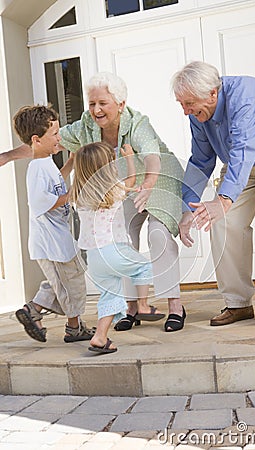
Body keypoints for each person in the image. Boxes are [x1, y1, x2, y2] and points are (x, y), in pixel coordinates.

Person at [1, 72, 186, 332]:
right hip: (123, 189)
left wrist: (148, 185)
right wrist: (7, 156)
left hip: (158, 182)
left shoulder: (137, 123)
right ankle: (131, 308)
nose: (96, 110)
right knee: (123, 242)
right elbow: (45, 141)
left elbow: (153, 157)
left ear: (120, 104)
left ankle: (175, 306)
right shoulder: (86, 125)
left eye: (103, 103)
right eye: (92, 104)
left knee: (159, 237)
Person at [172, 60, 255, 330]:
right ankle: (238, 303)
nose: (186, 111)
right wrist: (186, 209)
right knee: (221, 220)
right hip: (243, 166)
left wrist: (223, 200)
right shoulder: (199, 114)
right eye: (181, 104)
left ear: (213, 93)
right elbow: (201, 160)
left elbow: (244, 146)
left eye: (189, 103)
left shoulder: (246, 93)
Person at [13, 105, 95, 343]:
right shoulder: (37, 168)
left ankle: (35, 310)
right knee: (70, 285)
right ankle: (73, 327)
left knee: (67, 281)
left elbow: (54, 183)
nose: (60, 138)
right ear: (37, 140)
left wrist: (70, 163)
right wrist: (73, 194)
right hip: (51, 242)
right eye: (55, 135)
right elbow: (41, 201)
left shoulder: (46, 162)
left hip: (59, 238)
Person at [71, 141, 155, 353]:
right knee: (143, 267)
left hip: (94, 259)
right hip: (113, 250)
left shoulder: (79, 197)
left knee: (110, 295)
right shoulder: (114, 190)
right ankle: (143, 306)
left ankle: (100, 337)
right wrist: (128, 158)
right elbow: (132, 180)